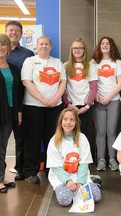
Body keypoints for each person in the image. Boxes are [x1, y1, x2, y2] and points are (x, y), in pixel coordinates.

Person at [21, 35, 66, 184]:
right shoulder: (30, 61)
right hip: (33, 107)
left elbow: (63, 82)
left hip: (55, 107)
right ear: (36, 46)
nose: (44, 46)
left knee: (52, 140)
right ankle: (30, 171)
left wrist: (55, 99)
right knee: (32, 139)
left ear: (51, 47)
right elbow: (27, 82)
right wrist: (43, 99)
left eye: (47, 44)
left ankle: (50, 169)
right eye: (41, 44)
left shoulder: (57, 62)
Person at [46, 108, 101, 206]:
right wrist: (67, 181)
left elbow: (84, 163)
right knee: (65, 200)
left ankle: (92, 181)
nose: (68, 122)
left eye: (72, 120)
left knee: (96, 196)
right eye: (65, 119)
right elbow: (56, 167)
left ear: (76, 122)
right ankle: (68, 189)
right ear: (61, 121)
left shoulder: (82, 138)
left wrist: (80, 182)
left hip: (79, 175)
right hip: (62, 177)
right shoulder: (54, 141)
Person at [91, 36, 121, 171]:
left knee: (111, 131)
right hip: (98, 100)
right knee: (100, 131)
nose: (105, 45)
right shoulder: (93, 63)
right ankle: (101, 159)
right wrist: (97, 96)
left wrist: (109, 97)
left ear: (112, 46)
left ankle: (112, 159)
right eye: (103, 43)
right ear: (99, 46)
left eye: (108, 43)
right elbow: (91, 82)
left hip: (113, 100)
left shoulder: (117, 62)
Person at [6, 20, 34, 181]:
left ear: (21, 34)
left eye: (17, 31)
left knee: (21, 137)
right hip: (4, 102)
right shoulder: (1, 51)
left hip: (22, 102)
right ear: (6, 32)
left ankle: (20, 168)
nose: (13, 33)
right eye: (11, 30)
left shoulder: (27, 54)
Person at [62, 38, 98, 138]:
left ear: (84, 50)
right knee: (68, 134)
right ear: (71, 50)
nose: (77, 50)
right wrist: (68, 104)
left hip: (85, 106)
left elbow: (93, 88)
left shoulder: (91, 66)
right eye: (75, 48)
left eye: (80, 48)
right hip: (70, 106)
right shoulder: (65, 66)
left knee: (83, 134)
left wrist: (87, 106)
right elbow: (63, 88)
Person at [0, 34, 23, 193]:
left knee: (2, 146)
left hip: (10, 112)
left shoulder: (13, 67)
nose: (0, 48)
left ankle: (1, 177)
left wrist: (19, 111)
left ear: (8, 47)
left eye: (3, 44)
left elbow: (19, 91)